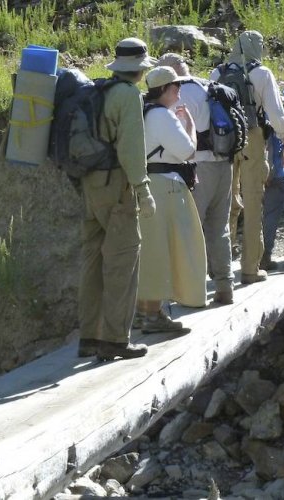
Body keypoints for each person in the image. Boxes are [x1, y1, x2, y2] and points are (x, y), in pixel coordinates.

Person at [77, 38, 157, 361]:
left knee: (92, 261)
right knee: (123, 261)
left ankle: (89, 338)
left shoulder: (99, 91)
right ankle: (115, 341)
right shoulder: (128, 97)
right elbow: (131, 151)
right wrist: (143, 190)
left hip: (90, 185)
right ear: (139, 69)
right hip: (117, 187)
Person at [211, 30, 284, 284]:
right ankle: (250, 268)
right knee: (254, 201)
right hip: (253, 138)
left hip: (224, 141)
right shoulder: (262, 73)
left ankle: (219, 269)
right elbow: (276, 114)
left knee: (227, 203)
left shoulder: (218, 72)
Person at [158, 53, 235, 305]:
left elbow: (175, 137)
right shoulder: (208, 86)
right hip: (224, 163)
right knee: (219, 227)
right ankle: (225, 286)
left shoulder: (178, 95)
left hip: (198, 166)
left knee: (193, 229)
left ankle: (194, 291)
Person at [136, 66, 206, 331]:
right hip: (165, 186)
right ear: (163, 90)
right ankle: (154, 315)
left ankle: (144, 312)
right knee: (165, 249)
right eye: (175, 86)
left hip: (148, 183)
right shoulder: (163, 116)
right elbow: (188, 152)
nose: (179, 90)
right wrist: (189, 125)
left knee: (152, 247)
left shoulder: (143, 112)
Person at [261, 133, 284, 270]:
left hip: (254, 173)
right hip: (275, 174)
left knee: (256, 216)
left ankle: (252, 259)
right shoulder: (274, 116)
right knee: (271, 217)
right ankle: (264, 257)